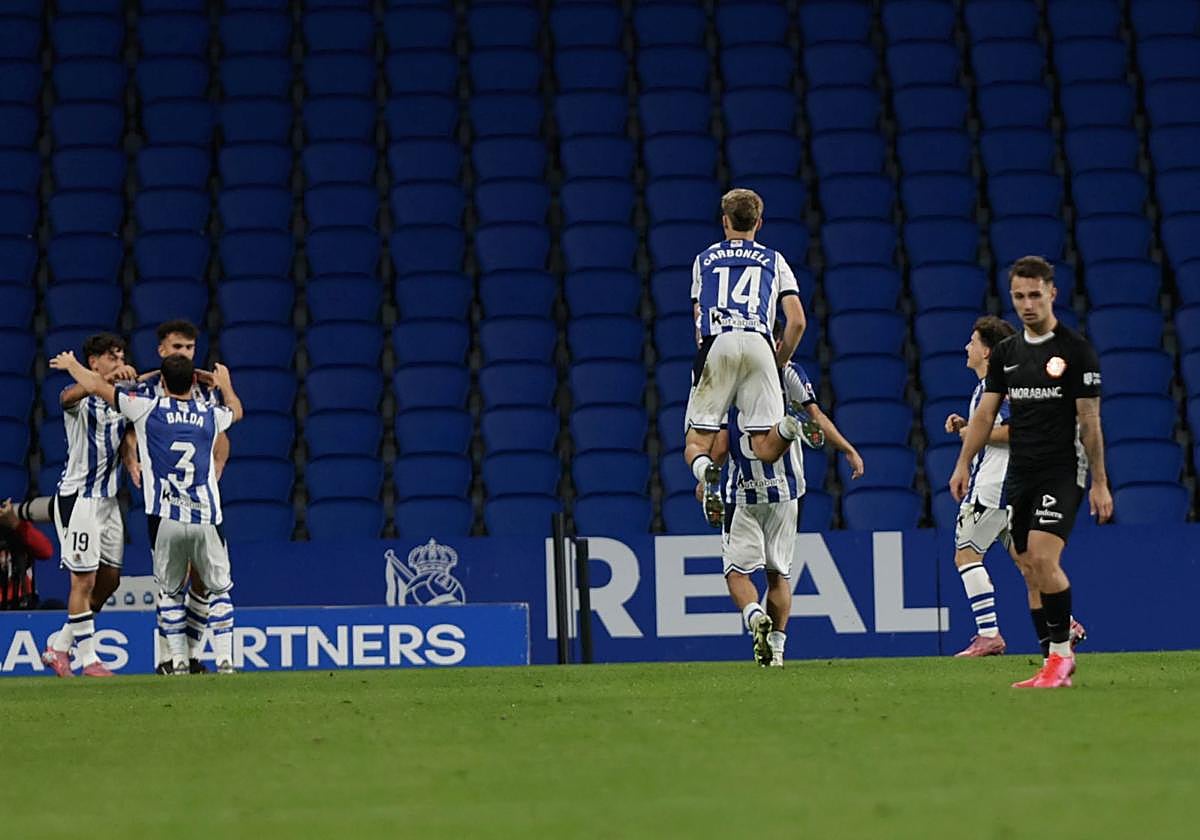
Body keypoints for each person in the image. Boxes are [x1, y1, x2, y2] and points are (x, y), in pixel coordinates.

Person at [950, 256, 1112, 689]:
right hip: (1019, 474)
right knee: (1031, 568)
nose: (1027, 303)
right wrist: (963, 462)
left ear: (1052, 294)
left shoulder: (1076, 351)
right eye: (1019, 296)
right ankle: (1052, 658)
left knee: (1040, 556)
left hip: (1062, 468)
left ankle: (1059, 658)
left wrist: (1099, 481)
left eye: (1034, 295)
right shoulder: (1007, 354)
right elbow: (985, 416)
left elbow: (1089, 421)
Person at [51, 351, 245, 675]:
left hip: (166, 517)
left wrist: (73, 366)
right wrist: (225, 385)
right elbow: (236, 411)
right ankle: (226, 660)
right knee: (219, 588)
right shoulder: (209, 413)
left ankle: (179, 662)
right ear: (195, 382)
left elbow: (97, 387)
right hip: (206, 517)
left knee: (169, 592)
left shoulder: (146, 408)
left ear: (163, 382)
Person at [705, 341, 865, 667]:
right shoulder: (788, 372)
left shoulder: (726, 380)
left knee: (737, 574)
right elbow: (817, 417)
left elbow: (720, 446)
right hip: (785, 490)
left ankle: (754, 618)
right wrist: (848, 449)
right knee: (777, 575)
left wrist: (706, 477)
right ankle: (776, 651)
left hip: (743, 494)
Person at [684, 189, 809, 528]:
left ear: (725, 221)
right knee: (766, 447)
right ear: (759, 223)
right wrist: (779, 360)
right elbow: (797, 321)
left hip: (718, 341)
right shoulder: (774, 259)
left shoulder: (704, 260)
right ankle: (791, 424)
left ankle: (706, 473)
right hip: (759, 343)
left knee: (699, 442)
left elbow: (699, 321)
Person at [124, 319, 229, 673]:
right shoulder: (145, 387)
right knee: (171, 579)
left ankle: (193, 655)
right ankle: (169, 657)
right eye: (177, 348)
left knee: (200, 578)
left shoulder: (206, 390)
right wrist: (131, 457)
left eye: (189, 348)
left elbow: (220, 435)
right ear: (162, 350)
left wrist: (219, 462)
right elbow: (128, 429)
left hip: (199, 497)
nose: (184, 353)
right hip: (162, 499)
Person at [37, 333, 138, 677]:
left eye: (121, 355)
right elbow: (68, 395)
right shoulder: (79, 400)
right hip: (78, 499)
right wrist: (89, 374)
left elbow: (128, 431)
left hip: (108, 501)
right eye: (112, 356)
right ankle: (90, 660)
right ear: (94, 362)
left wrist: (132, 458)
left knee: (110, 581)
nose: (119, 361)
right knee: (84, 582)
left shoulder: (119, 397)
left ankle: (59, 645)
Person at [0, 498, 54, 611]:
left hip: (24, 602)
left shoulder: (20, 529)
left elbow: (46, 551)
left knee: (54, 606)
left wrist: (16, 523)